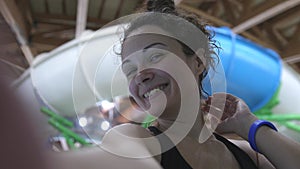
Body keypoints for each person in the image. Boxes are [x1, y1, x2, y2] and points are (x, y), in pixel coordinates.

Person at [117, 0, 300, 169]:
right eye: (130, 70)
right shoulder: (136, 142)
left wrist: (248, 124)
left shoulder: (249, 155)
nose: (140, 75)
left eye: (155, 56)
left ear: (197, 62)